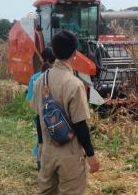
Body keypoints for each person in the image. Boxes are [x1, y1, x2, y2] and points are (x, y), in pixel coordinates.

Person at [30, 30, 99, 195]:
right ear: (75, 53)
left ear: (53, 51)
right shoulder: (74, 84)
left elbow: (39, 115)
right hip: (70, 155)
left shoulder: (41, 80)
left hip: (47, 152)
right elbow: (80, 124)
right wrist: (91, 155)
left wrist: (40, 144)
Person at [26, 48, 55, 171]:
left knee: (41, 141)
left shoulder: (35, 78)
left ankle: (40, 166)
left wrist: (39, 110)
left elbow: (30, 100)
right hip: (57, 116)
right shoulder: (59, 77)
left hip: (41, 116)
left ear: (42, 59)